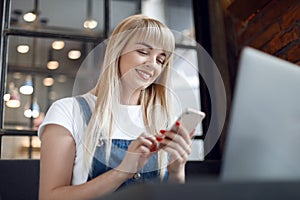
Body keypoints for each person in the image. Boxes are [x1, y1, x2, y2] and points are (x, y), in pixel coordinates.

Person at [38, 14, 194, 200]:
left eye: (161, 59)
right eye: (143, 52)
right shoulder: (68, 112)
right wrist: (122, 172)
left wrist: (177, 172)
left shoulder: (164, 118)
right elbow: (49, 197)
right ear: (117, 51)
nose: (152, 64)